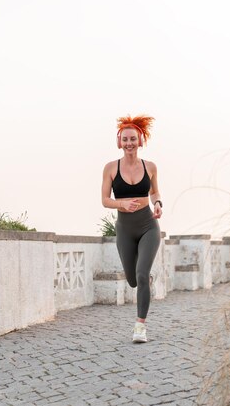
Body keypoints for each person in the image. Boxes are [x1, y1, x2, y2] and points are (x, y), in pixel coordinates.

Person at [101, 114, 163, 343]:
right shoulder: (110, 168)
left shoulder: (151, 167)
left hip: (148, 226)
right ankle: (143, 281)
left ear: (140, 141)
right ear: (119, 142)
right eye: (125, 139)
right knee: (132, 280)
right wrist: (121, 204)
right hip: (125, 229)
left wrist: (157, 203)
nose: (129, 143)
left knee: (142, 275)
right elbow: (105, 200)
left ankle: (140, 327)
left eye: (133, 139)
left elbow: (155, 192)